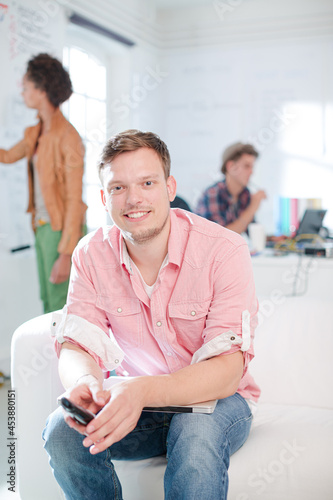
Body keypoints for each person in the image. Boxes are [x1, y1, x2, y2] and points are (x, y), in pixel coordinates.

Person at [43, 130, 260, 500]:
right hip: (137, 404)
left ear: (169, 187)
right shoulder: (91, 254)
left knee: (193, 437)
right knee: (62, 432)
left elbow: (226, 371)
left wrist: (140, 391)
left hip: (215, 401)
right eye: (118, 188)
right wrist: (86, 384)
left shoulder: (224, 250)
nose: (134, 199)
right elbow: (77, 341)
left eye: (147, 182)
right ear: (103, 198)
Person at [0, 53, 86, 313]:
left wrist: (66, 253)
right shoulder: (35, 133)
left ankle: (62, 355)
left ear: (42, 90)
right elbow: (6, 156)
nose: (23, 92)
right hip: (41, 227)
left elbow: (74, 199)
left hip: (59, 231)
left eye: (26, 86)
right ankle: (51, 354)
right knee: (48, 303)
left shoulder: (68, 137)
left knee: (59, 306)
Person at [195, 142, 267, 234]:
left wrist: (273, 239)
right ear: (231, 167)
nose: (251, 172)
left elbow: (251, 232)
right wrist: (252, 208)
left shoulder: (245, 194)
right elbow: (221, 238)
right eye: (246, 166)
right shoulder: (213, 194)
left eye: (252, 167)